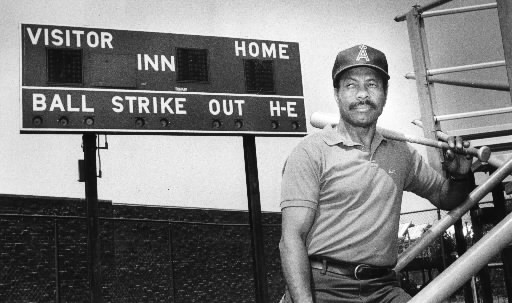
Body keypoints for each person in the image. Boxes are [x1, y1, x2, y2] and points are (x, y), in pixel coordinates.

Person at [279, 44, 474, 303]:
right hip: (324, 287)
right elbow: (291, 239)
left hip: (382, 288)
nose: (362, 94)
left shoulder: (400, 152)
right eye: (351, 85)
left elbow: (445, 196)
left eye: (372, 84)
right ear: (337, 94)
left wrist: (459, 175)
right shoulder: (311, 152)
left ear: (384, 93)